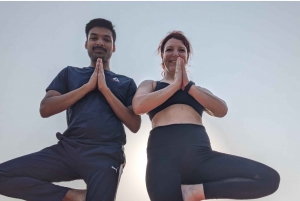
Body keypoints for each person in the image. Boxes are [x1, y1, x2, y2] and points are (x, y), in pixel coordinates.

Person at [0, 18, 141, 201]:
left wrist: (105, 90)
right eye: (94, 38)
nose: (100, 42)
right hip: (68, 149)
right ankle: (71, 196)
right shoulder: (70, 73)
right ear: (86, 44)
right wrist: (86, 88)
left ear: (114, 47)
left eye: (106, 39)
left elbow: (134, 124)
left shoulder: (126, 83)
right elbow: (46, 108)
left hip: (106, 154)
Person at [132, 31, 280, 201]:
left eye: (181, 50)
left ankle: (197, 192)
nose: (175, 53)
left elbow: (221, 110)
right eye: (169, 49)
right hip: (163, 159)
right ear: (162, 55)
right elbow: (138, 106)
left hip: (200, 155)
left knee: (269, 178)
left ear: (187, 56)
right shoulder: (151, 84)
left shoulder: (198, 90)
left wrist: (188, 86)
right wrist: (174, 86)